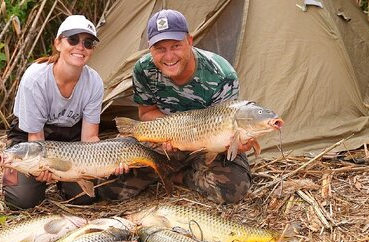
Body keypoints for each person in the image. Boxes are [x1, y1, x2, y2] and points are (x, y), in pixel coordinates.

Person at [97, 9, 252, 205]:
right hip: (164, 142)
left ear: (189, 40)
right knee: (109, 188)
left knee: (232, 189)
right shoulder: (144, 70)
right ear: (150, 48)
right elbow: (145, 112)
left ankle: (178, 176)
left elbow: (225, 126)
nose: (169, 56)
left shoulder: (222, 74)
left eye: (176, 46)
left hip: (208, 144)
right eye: (160, 48)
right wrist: (169, 133)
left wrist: (237, 144)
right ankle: (168, 167)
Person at [2, 15, 126, 210]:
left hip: (71, 140)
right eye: (73, 40)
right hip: (33, 138)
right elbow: (36, 138)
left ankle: (64, 183)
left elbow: (90, 138)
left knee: (86, 198)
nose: (80, 47)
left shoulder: (94, 82)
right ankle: (39, 182)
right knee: (22, 201)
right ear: (58, 43)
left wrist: (109, 162)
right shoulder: (35, 78)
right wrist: (43, 167)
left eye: (88, 43)